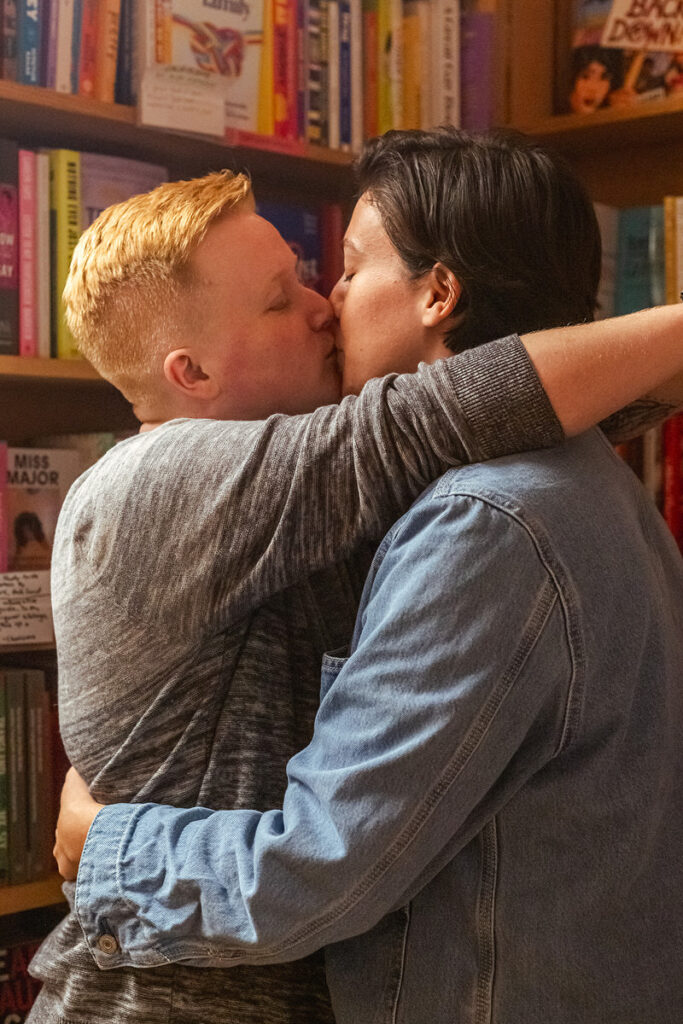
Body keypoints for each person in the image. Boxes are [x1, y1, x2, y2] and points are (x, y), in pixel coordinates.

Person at [39, 128, 683, 1024]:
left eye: (339, 269)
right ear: (191, 373)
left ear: (439, 293)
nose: (323, 303)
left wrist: (106, 843)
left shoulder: (484, 514)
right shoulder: (161, 483)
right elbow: (443, 412)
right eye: (281, 298)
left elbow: (319, 865)